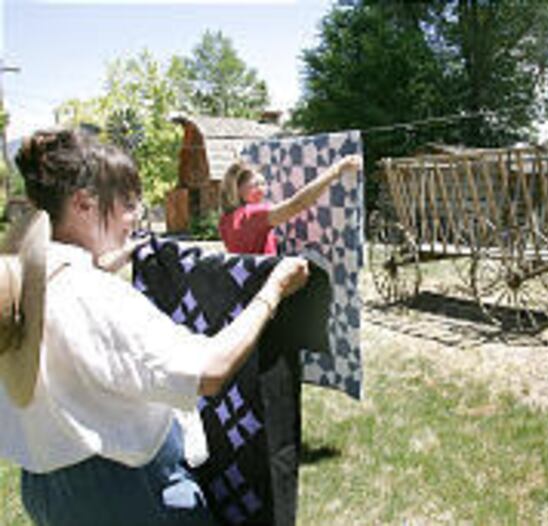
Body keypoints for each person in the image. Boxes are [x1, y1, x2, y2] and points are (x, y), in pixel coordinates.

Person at [0, 128, 309, 525]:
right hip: (130, 496)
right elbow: (210, 369)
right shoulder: (97, 298)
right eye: (127, 205)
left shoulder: (20, 284)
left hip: (49, 492)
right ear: (84, 204)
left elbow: (61, 318)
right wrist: (272, 291)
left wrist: (101, 264)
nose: (133, 219)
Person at [218, 154, 361, 255]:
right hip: (261, 282)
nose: (262, 190)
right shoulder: (252, 214)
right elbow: (297, 204)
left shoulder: (225, 219)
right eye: (255, 185)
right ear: (237, 189)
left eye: (263, 184)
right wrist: (337, 169)